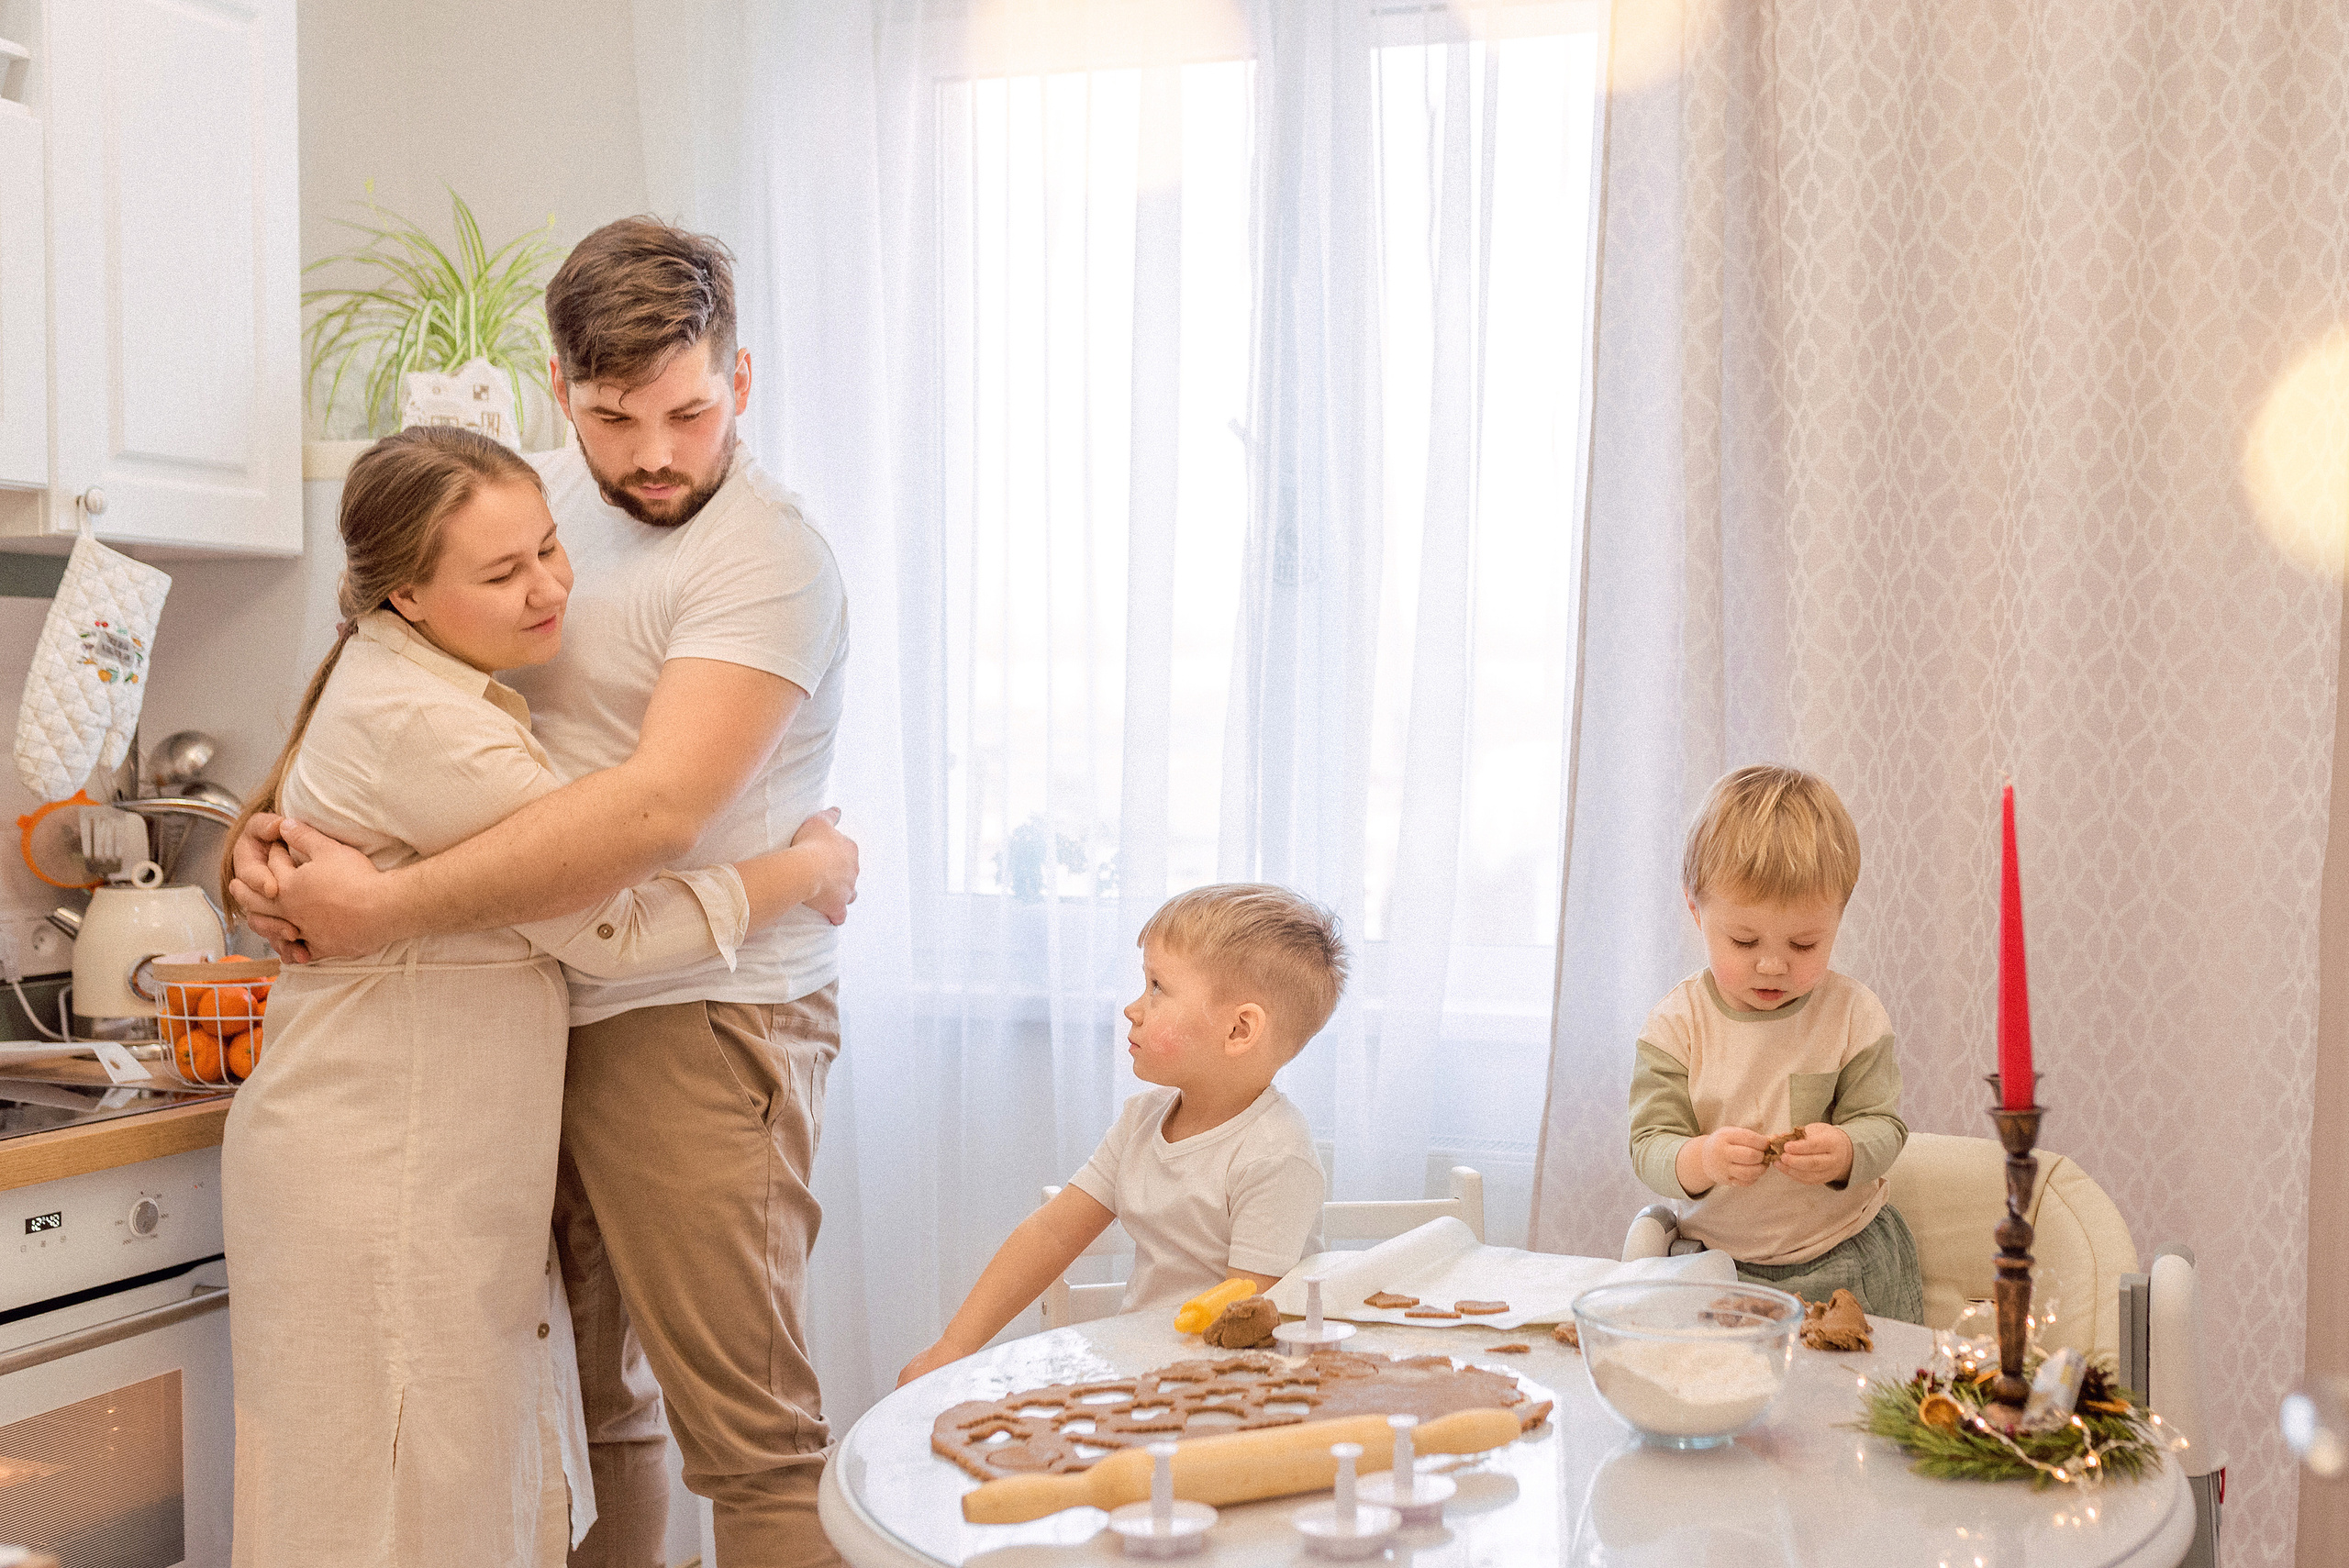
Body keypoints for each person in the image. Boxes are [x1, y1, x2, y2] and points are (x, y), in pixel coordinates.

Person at [230, 218, 852, 1566]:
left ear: (740, 383)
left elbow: (649, 814)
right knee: (578, 1415)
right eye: (613, 415)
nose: (652, 455)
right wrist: (266, 833)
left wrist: (385, 907)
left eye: (690, 412)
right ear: (557, 386)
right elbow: (386, 659)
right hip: (533, 1009)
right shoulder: (531, 499)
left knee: (748, 1438)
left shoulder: (766, 558)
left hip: (698, 1005)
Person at [896, 884, 1344, 1386]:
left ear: (1239, 1030)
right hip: (1146, 1373)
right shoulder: (1142, 1120)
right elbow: (1053, 1232)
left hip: (1236, 1390)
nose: (1134, 1008)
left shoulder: (1275, 1155)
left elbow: (1246, 1318)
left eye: (1158, 987)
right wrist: (955, 1346)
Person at [1626, 764, 1924, 1321]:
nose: (1772, 964)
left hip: (1846, 1256)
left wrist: (1845, 1152)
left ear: (1838, 918)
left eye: (1805, 944)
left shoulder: (1854, 1015)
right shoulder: (1676, 1025)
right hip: (1717, 1265)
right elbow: (1649, 1146)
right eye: (1743, 940)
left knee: (1858, 1404)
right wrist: (1703, 1157)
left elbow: (1885, 1127)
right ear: (1696, 912)